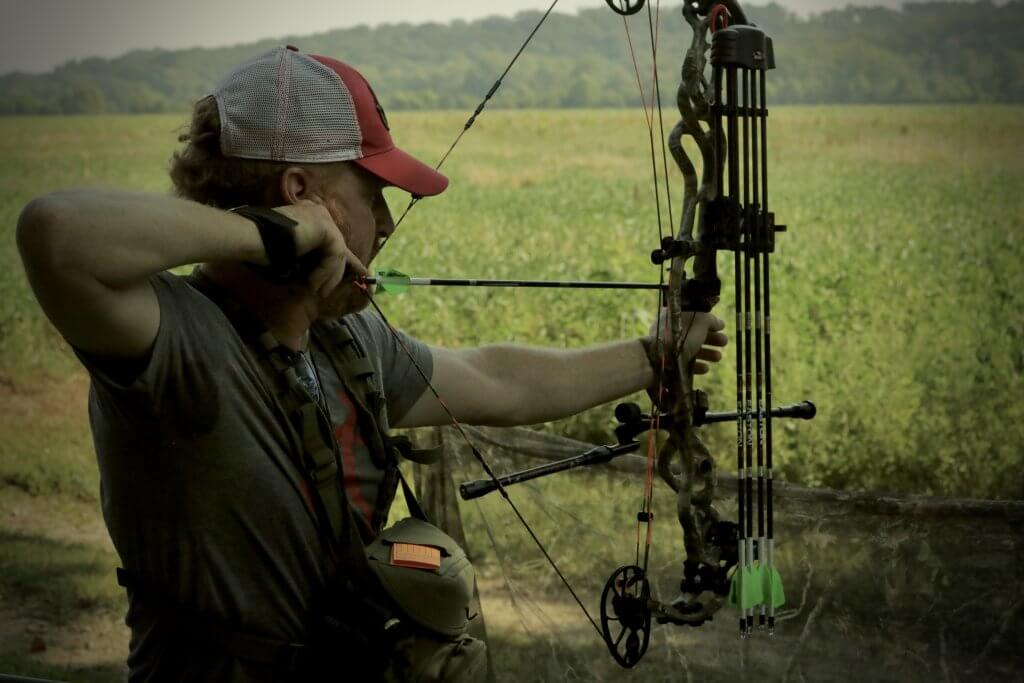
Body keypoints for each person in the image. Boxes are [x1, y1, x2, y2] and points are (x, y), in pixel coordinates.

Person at [16, 46, 726, 682]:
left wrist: (653, 355)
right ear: (300, 195)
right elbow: (54, 231)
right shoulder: (176, 339)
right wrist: (270, 236)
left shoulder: (348, 342)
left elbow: (497, 380)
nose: (386, 223)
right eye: (372, 193)